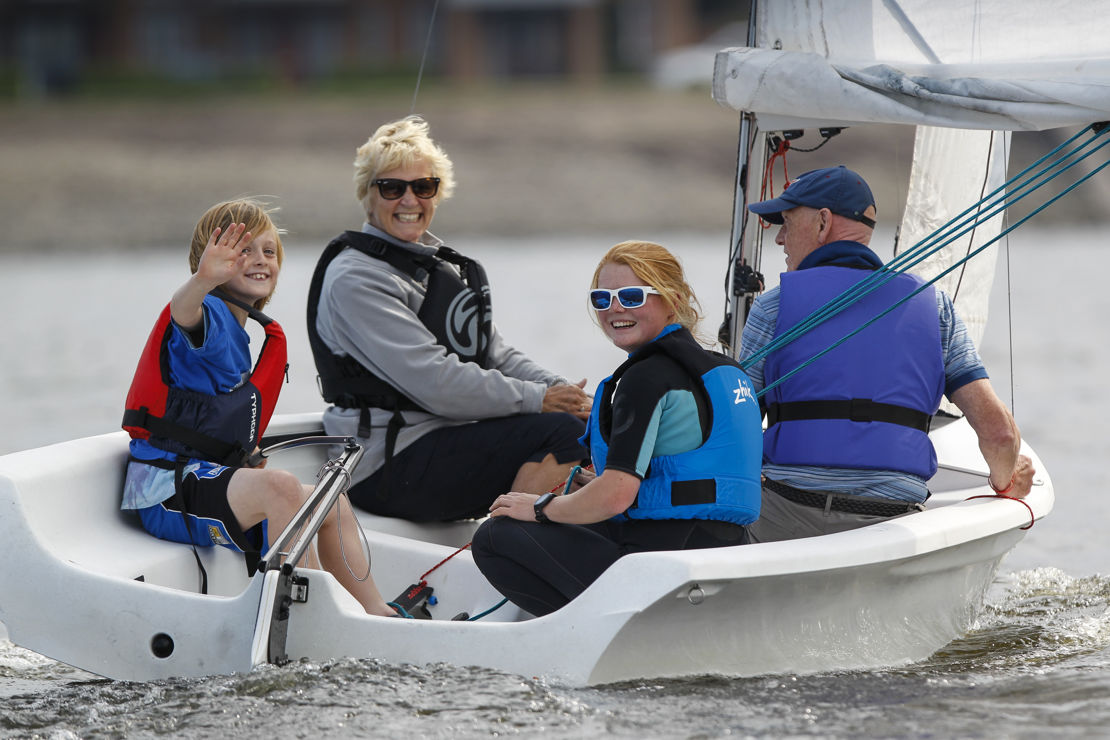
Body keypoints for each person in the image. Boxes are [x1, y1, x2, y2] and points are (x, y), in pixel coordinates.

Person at [307, 115, 590, 522]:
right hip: (383, 466)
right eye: (391, 187)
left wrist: (565, 391)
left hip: (438, 444)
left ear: (437, 193)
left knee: (589, 425)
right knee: (563, 434)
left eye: (423, 186)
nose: (409, 200)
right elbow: (435, 382)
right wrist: (540, 400)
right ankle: (509, 552)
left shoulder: (430, 269)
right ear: (366, 195)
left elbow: (496, 355)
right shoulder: (357, 278)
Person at [121, 199, 396, 617]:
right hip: (164, 492)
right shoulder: (207, 312)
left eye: (269, 252)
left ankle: (377, 613)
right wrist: (201, 281)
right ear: (210, 260)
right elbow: (183, 312)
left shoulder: (241, 331)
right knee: (283, 487)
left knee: (330, 501)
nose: (259, 260)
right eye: (243, 250)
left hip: (203, 480)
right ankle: (314, 613)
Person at [738, 165, 1036, 543]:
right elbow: (999, 432)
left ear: (823, 222)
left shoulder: (773, 308)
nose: (779, 238)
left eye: (786, 221)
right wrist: (1007, 481)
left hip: (788, 513)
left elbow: (735, 428)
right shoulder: (935, 307)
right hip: (892, 521)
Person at [471, 241, 763, 617]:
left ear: (672, 299)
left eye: (631, 295)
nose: (615, 308)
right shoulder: (728, 371)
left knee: (496, 536)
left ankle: (581, 632)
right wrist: (594, 489)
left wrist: (541, 507)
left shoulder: (645, 378)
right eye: (602, 298)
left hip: (661, 563)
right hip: (724, 549)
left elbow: (617, 496)